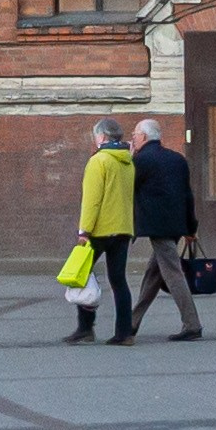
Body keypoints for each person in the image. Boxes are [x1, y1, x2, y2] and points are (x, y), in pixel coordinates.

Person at [127, 119, 202, 342]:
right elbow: (187, 195)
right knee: (153, 273)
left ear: (143, 137)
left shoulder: (141, 160)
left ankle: (192, 324)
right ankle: (131, 323)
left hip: (156, 225)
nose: (133, 138)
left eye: (135, 135)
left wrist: (130, 160)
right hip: (176, 225)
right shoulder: (177, 159)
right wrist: (191, 227)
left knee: (172, 272)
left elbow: (127, 187)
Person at [67, 117, 136, 346]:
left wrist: (84, 230)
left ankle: (85, 328)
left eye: (96, 135)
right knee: (119, 280)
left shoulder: (99, 161)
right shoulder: (128, 162)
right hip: (123, 228)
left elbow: (92, 200)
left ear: (102, 136)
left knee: (82, 274)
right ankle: (124, 333)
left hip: (100, 230)